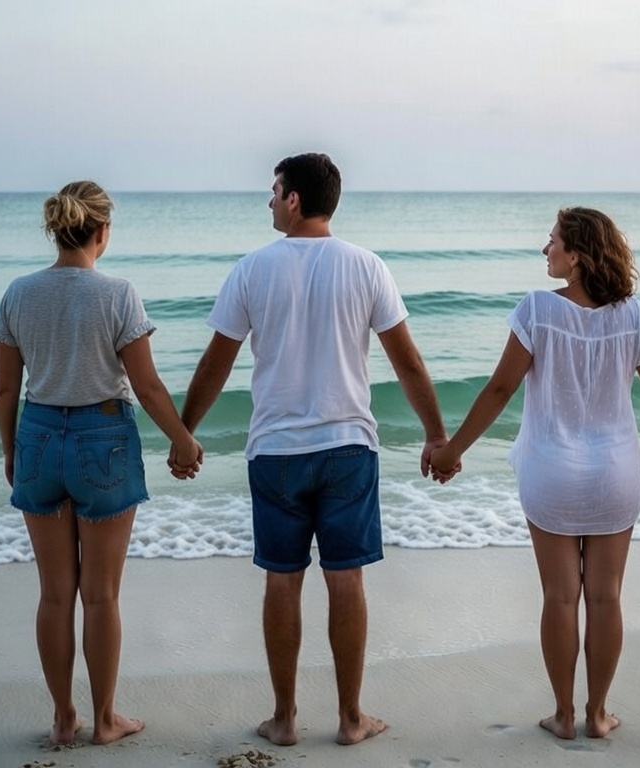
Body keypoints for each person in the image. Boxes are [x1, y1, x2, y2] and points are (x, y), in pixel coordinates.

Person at [174, 153, 449, 747]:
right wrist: (436, 435)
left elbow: (215, 363)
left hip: (275, 450)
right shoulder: (367, 266)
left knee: (282, 579)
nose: (270, 201)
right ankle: (351, 720)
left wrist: (183, 432)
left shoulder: (252, 269)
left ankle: (285, 719)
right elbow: (407, 361)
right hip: (348, 445)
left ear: (295, 199)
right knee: (345, 578)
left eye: (274, 191)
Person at [428, 207, 640, 740]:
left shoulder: (537, 310)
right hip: (615, 472)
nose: (546, 249)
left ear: (578, 255)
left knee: (561, 597)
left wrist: (453, 450)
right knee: (606, 597)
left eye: (553, 240)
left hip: (551, 470)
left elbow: (499, 390)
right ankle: (598, 714)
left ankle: (563, 715)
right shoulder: (633, 315)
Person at [0, 180, 203, 746]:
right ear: (102, 231)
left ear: (56, 230)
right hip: (102, 437)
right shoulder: (117, 294)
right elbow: (148, 384)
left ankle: (64, 718)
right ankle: (106, 720)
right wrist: (182, 439)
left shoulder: (17, 293)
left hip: (37, 436)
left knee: (55, 593)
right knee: (102, 595)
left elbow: (6, 392)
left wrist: (13, 453)